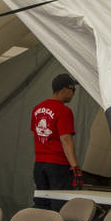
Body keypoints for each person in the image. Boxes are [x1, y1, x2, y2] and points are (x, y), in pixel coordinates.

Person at [31, 73, 83, 210]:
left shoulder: (37, 109)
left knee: (41, 204)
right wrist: (75, 167)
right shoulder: (64, 111)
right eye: (73, 90)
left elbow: (36, 134)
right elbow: (66, 139)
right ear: (64, 89)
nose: (73, 94)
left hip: (39, 164)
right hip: (58, 164)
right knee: (59, 205)